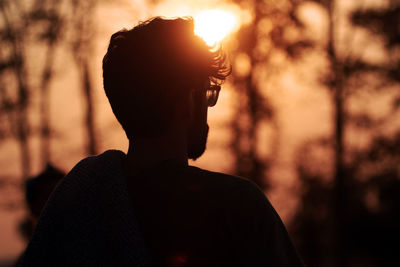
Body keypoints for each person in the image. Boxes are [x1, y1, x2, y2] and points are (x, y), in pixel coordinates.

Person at [21, 17, 304, 266]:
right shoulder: (239, 207)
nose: (208, 107)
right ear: (186, 100)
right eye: (207, 93)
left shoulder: (74, 209)